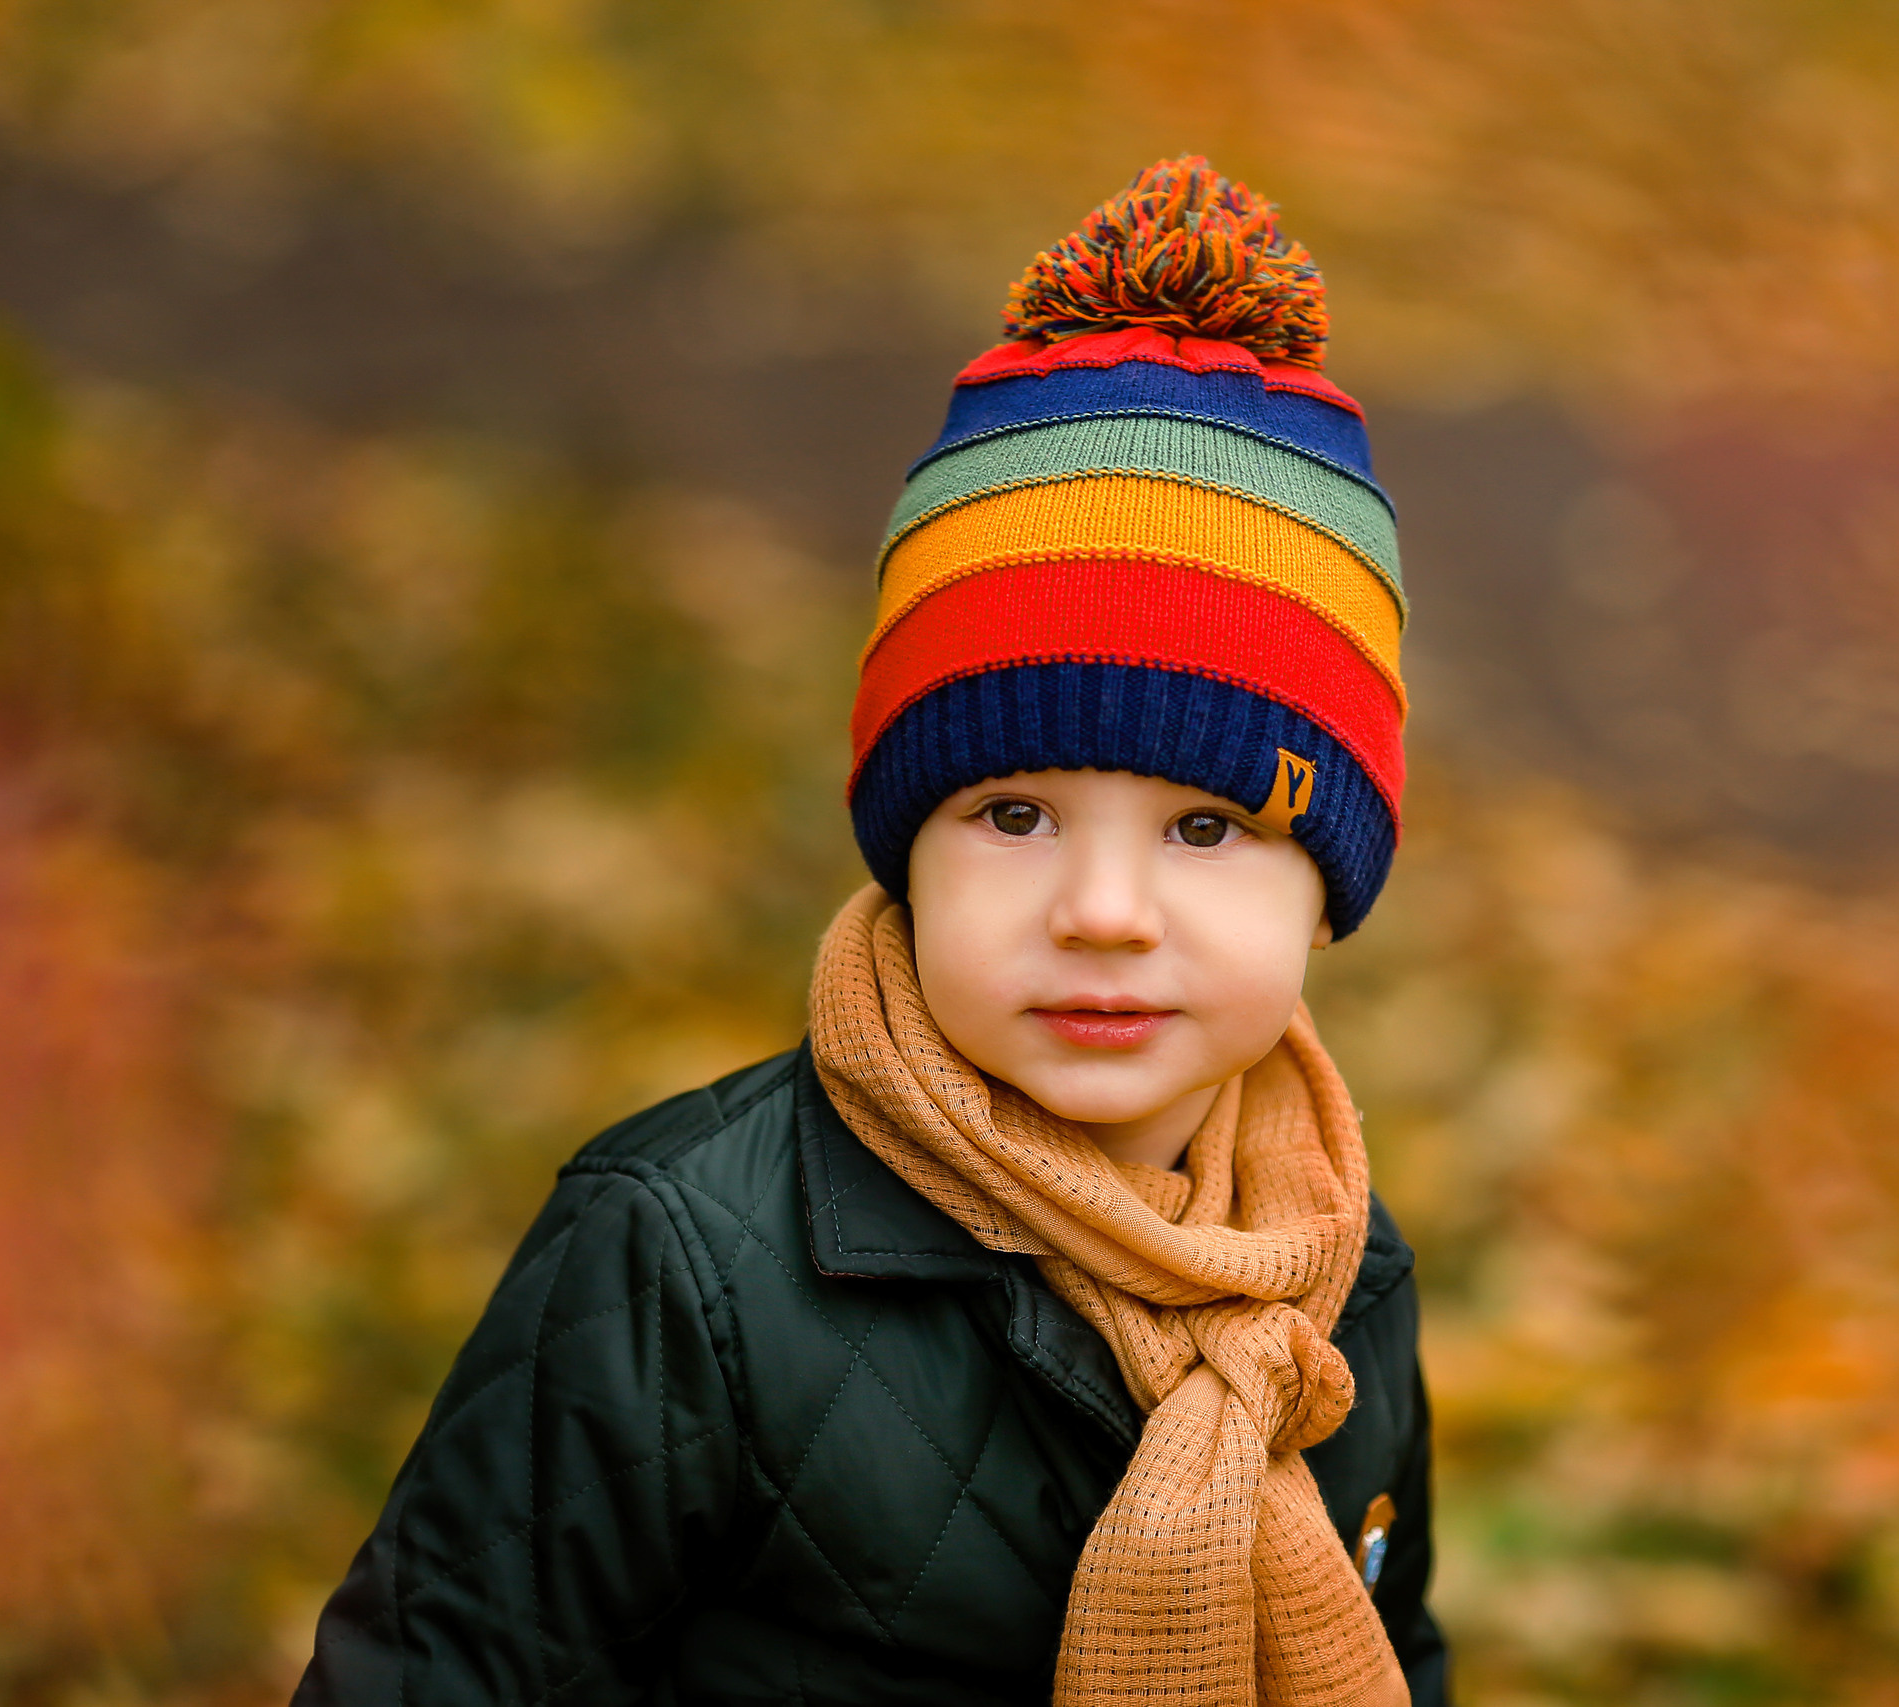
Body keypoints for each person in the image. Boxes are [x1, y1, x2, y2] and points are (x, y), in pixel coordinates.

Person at [293, 155, 1449, 1707]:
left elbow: (1398, 1651)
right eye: (1014, 816)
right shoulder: (684, 1263)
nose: (1103, 915)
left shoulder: (1338, 1269)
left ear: (1331, 886)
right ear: (909, 846)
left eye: (1206, 829)